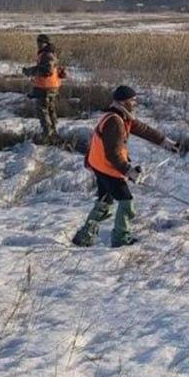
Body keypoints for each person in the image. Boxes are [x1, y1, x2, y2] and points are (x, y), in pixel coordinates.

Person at [72, 85, 178, 247]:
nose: (135, 103)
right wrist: (128, 171)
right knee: (126, 202)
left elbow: (143, 129)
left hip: (99, 165)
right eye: (133, 100)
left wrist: (165, 142)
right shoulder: (115, 122)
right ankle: (121, 238)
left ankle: (85, 235)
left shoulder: (120, 116)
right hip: (108, 168)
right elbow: (113, 154)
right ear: (124, 102)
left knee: (105, 201)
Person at [22, 33, 66, 144]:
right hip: (50, 87)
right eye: (38, 42)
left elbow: (47, 71)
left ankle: (47, 135)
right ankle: (53, 133)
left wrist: (30, 71)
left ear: (45, 43)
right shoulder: (51, 53)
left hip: (46, 88)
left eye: (40, 42)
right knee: (50, 111)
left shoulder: (47, 55)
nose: (39, 45)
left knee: (43, 111)